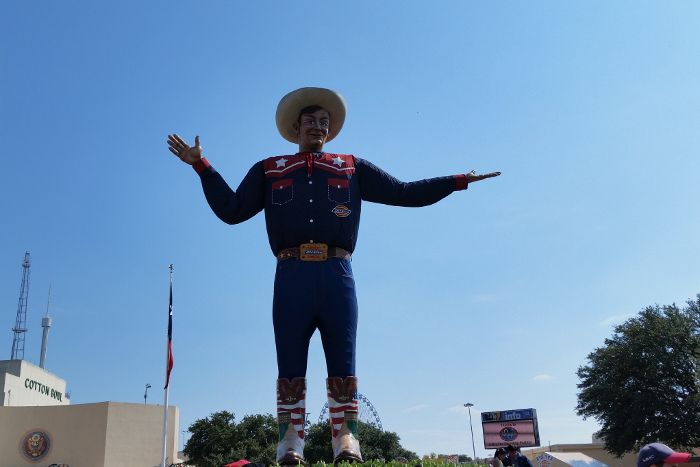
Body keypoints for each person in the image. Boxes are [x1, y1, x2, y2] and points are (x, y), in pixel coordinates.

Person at [167, 87, 500, 465]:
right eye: (310, 121)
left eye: (324, 122)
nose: (318, 127)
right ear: (295, 127)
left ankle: (346, 439)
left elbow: (404, 191)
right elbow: (232, 210)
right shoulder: (270, 168)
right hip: (290, 272)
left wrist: (456, 181)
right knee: (289, 361)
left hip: (337, 271)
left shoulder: (351, 166)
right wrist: (201, 166)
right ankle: (290, 442)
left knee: (343, 359)